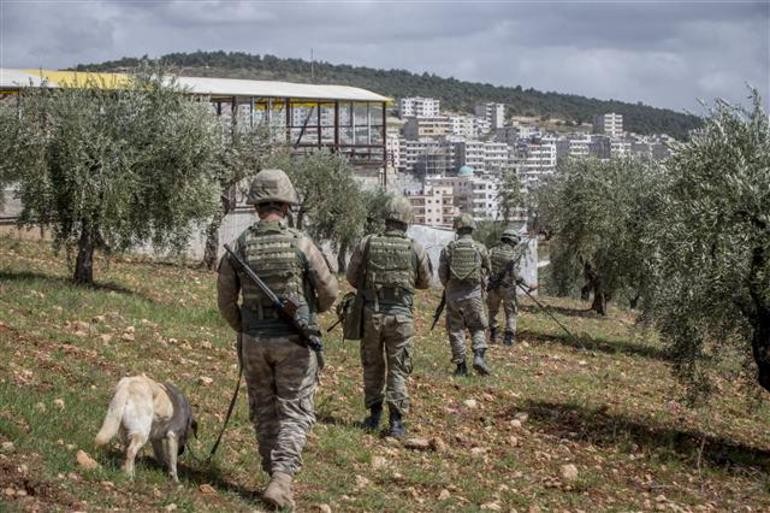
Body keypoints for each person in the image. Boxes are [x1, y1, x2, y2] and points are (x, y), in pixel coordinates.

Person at [217, 168, 338, 510]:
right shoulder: (301, 243)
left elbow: (225, 300)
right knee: (295, 411)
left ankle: (272, 474)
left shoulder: (239, 246)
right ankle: (282, 479)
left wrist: (245, 326)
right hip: (293, 341)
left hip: (253, 341)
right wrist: (307, 313)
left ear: (256, 206)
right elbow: (329, 292)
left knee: (264, 408)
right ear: (286, 205)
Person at [346, 195, 432, 438]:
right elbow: (425, 282)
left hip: (372, 315)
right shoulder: (415, 247)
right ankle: (396, 422)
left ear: (386, 218)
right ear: (407, 221)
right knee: (398, 368)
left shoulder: (367, 243)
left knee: (372, 365)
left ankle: (373, 416)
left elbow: (351, 278)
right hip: (401, 317)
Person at [438, 214, 492, 376]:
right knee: (477, 327)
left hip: (453, 297)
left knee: (456, 330)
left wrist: (449, 287)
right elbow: (489, 269)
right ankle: (479, 356)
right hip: (474, 296)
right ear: (472, 229)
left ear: (457, 228)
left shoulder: (448, 249)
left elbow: (442, 274)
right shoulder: (480, 248)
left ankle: (461, 368)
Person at [487, 228, 526, 346]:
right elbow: (516, 274)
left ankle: (494, 333)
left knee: (492, 311)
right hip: (508, 288)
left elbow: (486, 266)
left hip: (493, 287)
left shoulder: (492, 251)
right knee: (511, 312)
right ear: (514, 241)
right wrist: (525, 283)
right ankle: (508, 338)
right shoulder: (515, 255)